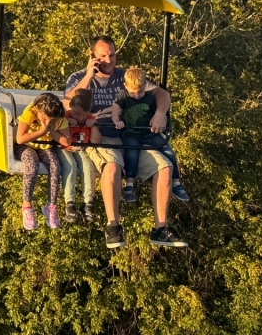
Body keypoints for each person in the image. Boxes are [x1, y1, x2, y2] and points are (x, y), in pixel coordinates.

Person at [65, 35, 188, 248]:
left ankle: (160, 228)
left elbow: (161, 93)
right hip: (101, 136)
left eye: (112, 54)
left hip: (132, 137)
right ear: (92, 55)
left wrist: (160, 113)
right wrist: (88, 75)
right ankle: (113, 226)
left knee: (165, 166)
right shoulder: (78, 78)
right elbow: (68, 105)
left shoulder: (126, 77)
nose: (108, 59)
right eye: (102, 55)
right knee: (112, 166)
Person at [111, 67, 188, 204]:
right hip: (131, 134)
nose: (136, 95)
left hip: (149, 133)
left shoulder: (150, 98)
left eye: (140, 92)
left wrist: (160, 117)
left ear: (145, 86)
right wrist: (117, 120)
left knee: (168, 152)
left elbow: (159, 110)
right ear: (126, 87)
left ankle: (176, 182)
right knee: (132, 153)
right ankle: (129, 184)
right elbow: (115, 108)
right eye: (133, 93)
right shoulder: (123, 95)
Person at [14, 93, 68, 230]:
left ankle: (51, 206)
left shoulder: (59, 117)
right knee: (32, 165)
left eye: (51, 119)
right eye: (44, 117)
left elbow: (66, 141)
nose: (47, 120)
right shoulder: (31, 111)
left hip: (44, 146)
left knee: (56, 166)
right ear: (38, 111)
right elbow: (20, 138)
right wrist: (43, 130)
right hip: (26, 145)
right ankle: (27, 206)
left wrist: (50, 131)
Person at [55, 88, 101, 223]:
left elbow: (96, 142)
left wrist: (93, 126)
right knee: (71, 166)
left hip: (81, 149)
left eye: (84, 115)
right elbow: (54, 131)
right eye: (77, 113)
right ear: (71, 106)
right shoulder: (64, 117)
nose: (80, 118)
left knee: (88, 167)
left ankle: (88, 203)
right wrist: (65, 124)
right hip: (64, 148)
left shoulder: (90, 119)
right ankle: (70, 203)